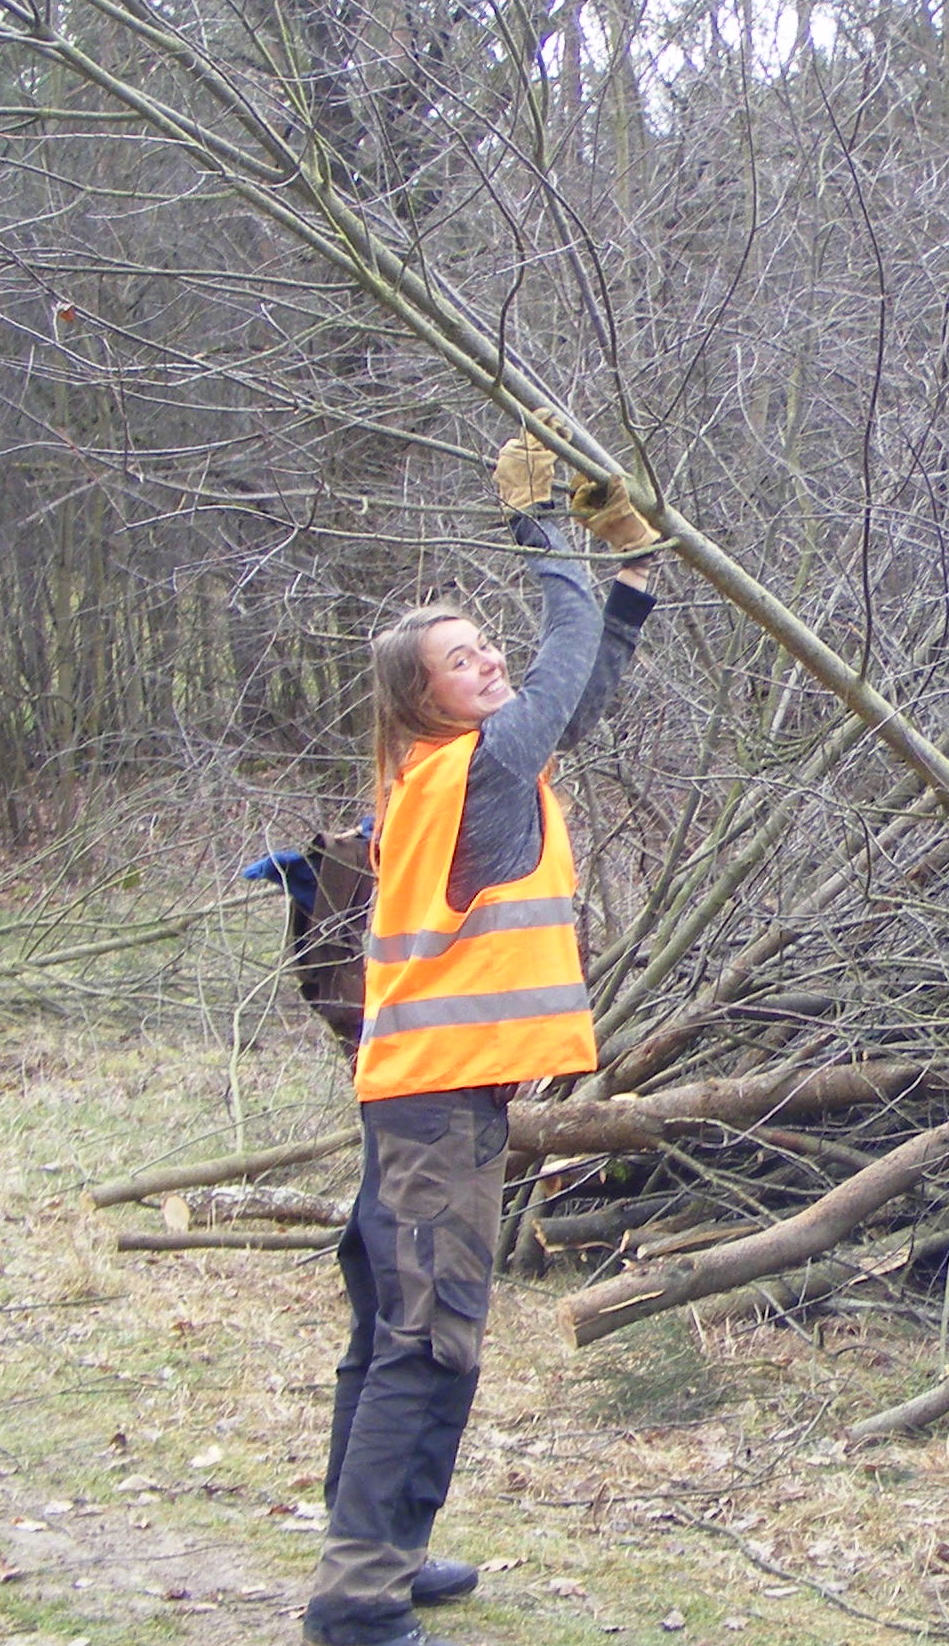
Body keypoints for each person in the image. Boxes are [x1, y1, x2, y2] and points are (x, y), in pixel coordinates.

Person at [304, 429, 664, 1646]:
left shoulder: (475, 769)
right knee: (430, 1339)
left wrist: (633, 574)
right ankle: (354, 1601)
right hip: (434, 1107)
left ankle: (383, 1558)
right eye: (465, 658)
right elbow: (560, 667)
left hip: (432, 1097)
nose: (491, 660)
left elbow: (581, 683)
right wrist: (544, 532)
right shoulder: (472, 773)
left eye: (484, 645)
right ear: (426, 698)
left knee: (398, 1334)